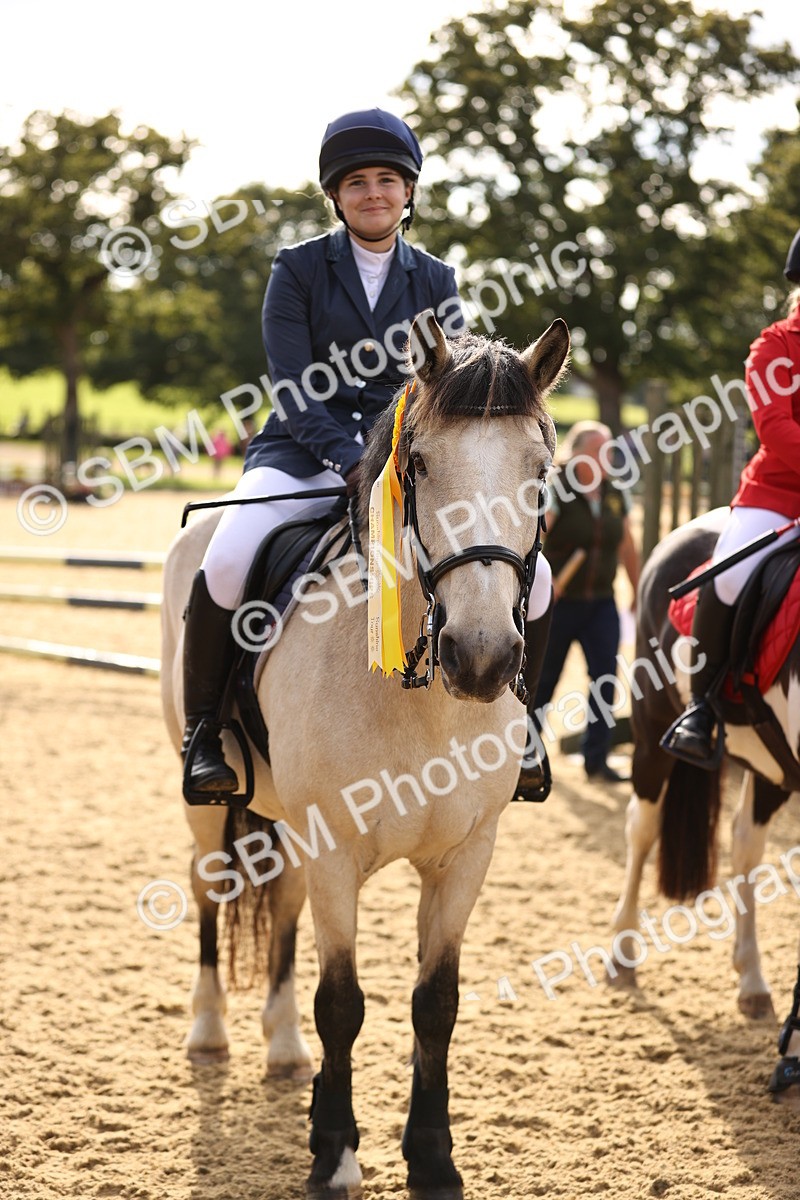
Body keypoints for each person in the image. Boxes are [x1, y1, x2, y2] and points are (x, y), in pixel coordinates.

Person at [180, 107, 554, 798]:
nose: (374, 192)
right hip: (299, 451)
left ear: (409, 191)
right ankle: (205, 730)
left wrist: (400, 460)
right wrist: (349, 459)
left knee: (541, 576)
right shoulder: (296, 269)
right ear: (335, 195)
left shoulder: (436, 279)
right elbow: (292, 385)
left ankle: (522, 721)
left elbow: (450, 383)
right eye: (357, 182)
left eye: (388, 179)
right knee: (228, 557)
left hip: (407, 460)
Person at [662, 232, 800, 766]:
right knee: (729, 576)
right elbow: (775, 428)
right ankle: (702, 706)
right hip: (775, 497)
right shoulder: (776, 347)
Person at [531, 421, 641, 783]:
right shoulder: (558, 489)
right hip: (560, 604)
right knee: (544, 680)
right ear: (577, 453)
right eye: (598, 449)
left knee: (605, 679)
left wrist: (637, 589)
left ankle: (597, 760)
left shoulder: (614, 492)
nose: (605, 457)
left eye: (608, 450)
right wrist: (540, 584)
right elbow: (535, 539)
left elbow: (626, 545)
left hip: (601, 604)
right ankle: (526, 757)